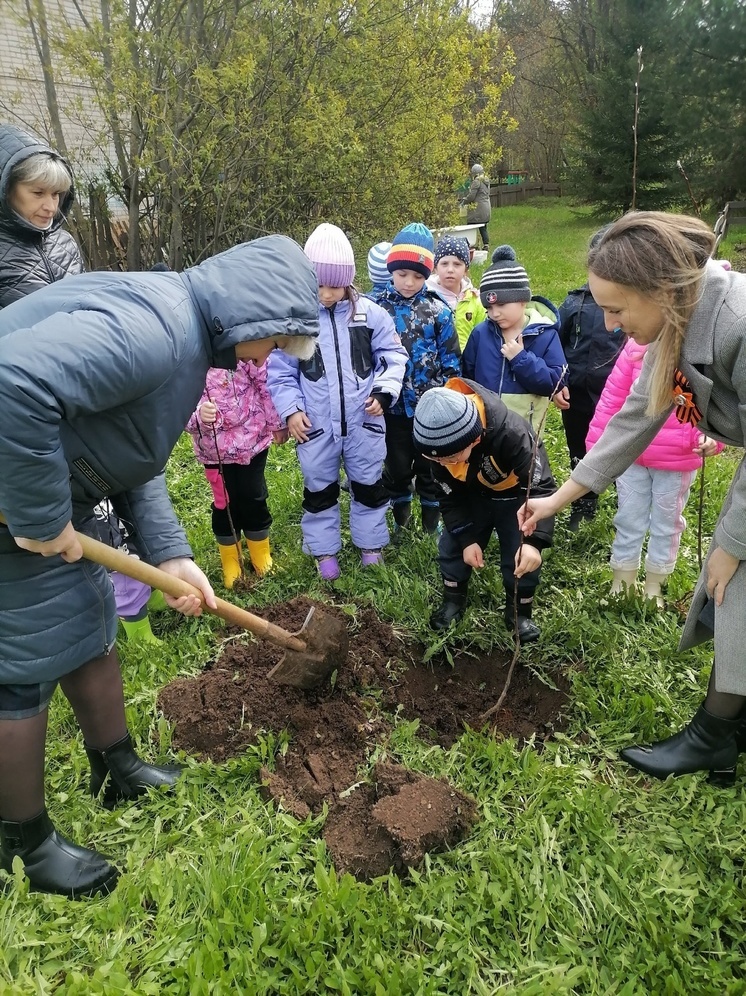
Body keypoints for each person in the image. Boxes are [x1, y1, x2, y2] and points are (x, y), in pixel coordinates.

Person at [0, 233, 319, 897]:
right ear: (255, 316)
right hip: (14, 497)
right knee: (21, 666)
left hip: (51, 489)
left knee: (88, 625)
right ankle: (23, 844)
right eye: (279, 342)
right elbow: (13, 381)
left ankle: (116, 768)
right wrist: (38, 517)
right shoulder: (155, 330)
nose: (271, 358)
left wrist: (170, 553)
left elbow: (128, 449)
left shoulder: (181, 332)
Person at [518, 210, 746, 785]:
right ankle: (728, 732)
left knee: (736, 588)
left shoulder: (737, 324)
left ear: (661, 289)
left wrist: (732, 543)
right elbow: (633, 421)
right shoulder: (676, 322)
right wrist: (556, 500)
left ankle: (712, 736)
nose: (609, 323)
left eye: (617, 308)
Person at [0, 123, 161, 644]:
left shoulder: (66, 243)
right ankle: (78, 618)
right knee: (55, 513)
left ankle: (131, 617)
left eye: (57, 195)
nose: (49, 205)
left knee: (106, 500)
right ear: (7, 190)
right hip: (26, 394)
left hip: (82, 387)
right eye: (37, 193)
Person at [268, 223, 407, 579]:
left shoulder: (371, 315)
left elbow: (393, 356)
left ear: (349, 280)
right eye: (319, 285)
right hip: (315, 428)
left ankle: (370, 545)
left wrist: (383, 391)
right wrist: (291, 410)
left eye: (335, 285)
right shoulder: (296, 324)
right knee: (320, 490)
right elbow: (281, 372)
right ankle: (323, 552)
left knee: (368, 486)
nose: (327, 294)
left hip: (365, 425)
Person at [413, 379, 556, 642]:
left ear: (476, 437)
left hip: (517, 498)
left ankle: (519, 612)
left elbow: (540, 489)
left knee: (519, 553)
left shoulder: (513, 434)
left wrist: (534, 542)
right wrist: (467, 539)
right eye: (437, 460)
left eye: (452, 457)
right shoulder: (438, 448)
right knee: (452, 546)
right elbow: (450, 498)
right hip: (471, 496)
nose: (445, 463)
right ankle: (453, 600)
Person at [586, 338, 724, 604]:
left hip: (677, 458)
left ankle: (654, 586)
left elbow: (714, 403)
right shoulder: (636, 348)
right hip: (632, 455)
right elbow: (613, 398)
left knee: (667, 522)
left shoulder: (699, 353)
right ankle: (622, 582)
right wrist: (598, 447)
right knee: (628, 517)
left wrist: (713, 439)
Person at [372, 222, 462, 535]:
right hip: (392, 408)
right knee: (396, 466)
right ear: (391, 270)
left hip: (430, 408)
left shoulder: (438, 310)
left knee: (431, 467)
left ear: (427, 275)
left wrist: (451, 397)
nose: (409, 282)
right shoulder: (375, 308)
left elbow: (451, 361)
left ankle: (431, 523)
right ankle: (401, 519)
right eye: (402, 274)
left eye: (418, 276)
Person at [186, 358, 285, 588]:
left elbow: (263, 380)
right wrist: (198, 417)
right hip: (214, 452)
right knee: (224, 503)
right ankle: (231, 560)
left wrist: (276, 421)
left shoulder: (241, 350)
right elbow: (176, 407)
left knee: (253, 495)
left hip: (252, 440)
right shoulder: (186, 361)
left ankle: (261, 555)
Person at [553, 229, 626, 531]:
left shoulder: (630, 306)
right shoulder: (573, 303)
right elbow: (554, 345)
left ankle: (629, 501)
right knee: (579, 447)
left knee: (622, 447)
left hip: (616, 398)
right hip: (577, 396)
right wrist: (558, 382)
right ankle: (583, 502)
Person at [462, 245, 566, 436]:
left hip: (525, 433)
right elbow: (467, 377)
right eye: (489, 308)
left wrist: (520, 359)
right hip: (486, 430)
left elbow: (554, 383)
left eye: (501, 304)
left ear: (522, 300)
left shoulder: (545, 334)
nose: (495, 313)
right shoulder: (480, 334)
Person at [426, 235, 486, 349]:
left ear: (466, 270)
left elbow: (483, 336)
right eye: (444, 264)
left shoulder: (475, 301)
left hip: (468, 362)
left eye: (457, 264)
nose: (450, 270)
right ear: (435, 268)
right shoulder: (427, 298)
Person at [461, 164, 491, 252]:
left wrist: (464, 201)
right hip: (486, 207)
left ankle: (471, 245)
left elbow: (471, 196)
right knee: (483, 227)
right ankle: (486, 244)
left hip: (478, 208)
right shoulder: (486, 180)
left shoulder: (476, 181)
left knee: (470, 226)